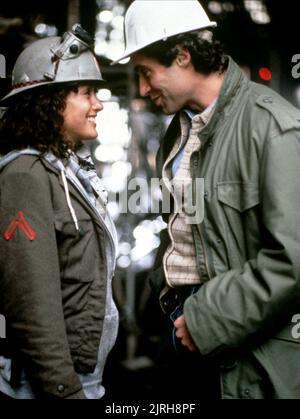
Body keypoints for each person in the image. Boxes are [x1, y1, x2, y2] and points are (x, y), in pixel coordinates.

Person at [113, 0, 300, 399]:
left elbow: (294, 258)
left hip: (234, 336)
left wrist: (206, 318)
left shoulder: (272, 127)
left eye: (147, 73)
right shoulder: (180, 130)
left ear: (182, 57)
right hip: (183, 327)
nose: (143, 90)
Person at [0, 24, 119, 399]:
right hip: (47, 388)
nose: (98, 104)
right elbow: (33, 308)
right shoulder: (25, 176)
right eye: (85, 93)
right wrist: (65, 392)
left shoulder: (64, 168)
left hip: (81, 379)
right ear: (49, 101)